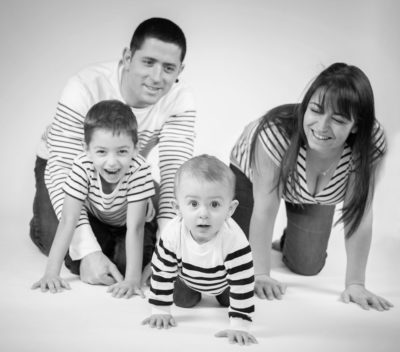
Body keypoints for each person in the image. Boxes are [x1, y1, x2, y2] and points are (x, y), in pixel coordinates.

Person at [30, 17, 196, 286]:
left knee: (134, 258)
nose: (157, 77)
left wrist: (167, 251)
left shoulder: (181, 98)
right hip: (68, 168)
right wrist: (89, 252)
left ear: (180, 69)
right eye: (148, 62)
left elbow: (176, 173)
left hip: (127, 170)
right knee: (69, 251)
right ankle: (45, 222)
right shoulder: (83, 87)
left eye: (168, 68)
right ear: (128, 57)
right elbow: (61, 168)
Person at [230, 62, 394, 311]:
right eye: (316, 110)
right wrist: (260, 273)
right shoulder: (274, 134)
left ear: (357, 125)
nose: (322, 126)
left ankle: (288, 239)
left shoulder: (370, 143)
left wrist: (356, 283)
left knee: (307, 265)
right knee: (233, 253)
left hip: (311, 191)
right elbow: (264, 209)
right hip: (251, 177)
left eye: (338, 119)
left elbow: (360, 213)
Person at [32, 100, 155, 297]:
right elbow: (68, 220)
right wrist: (51, 273)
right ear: (87, 149)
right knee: (80, 259)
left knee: (125, 266)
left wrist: (132, 280)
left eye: (122, 151)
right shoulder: (82, 165)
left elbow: (135, 227)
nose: (112, 162)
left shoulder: (139, 169)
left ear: (136, 147)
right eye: (101, 152)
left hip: (128, 223)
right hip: (98, 219)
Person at [142, 155, 257, 346]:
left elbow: (242, 282)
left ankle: (223, 297)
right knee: (183, 301)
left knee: (233, 300)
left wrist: (240, 325)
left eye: (214, 204)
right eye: (193, 204)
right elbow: (162, 272)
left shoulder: (235, 241)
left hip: (225, 282)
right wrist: (160, 310)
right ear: (177, 208)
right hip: (187, 279)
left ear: (230, 209)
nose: (203, 214)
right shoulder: (172, 234)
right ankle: (192, 292)